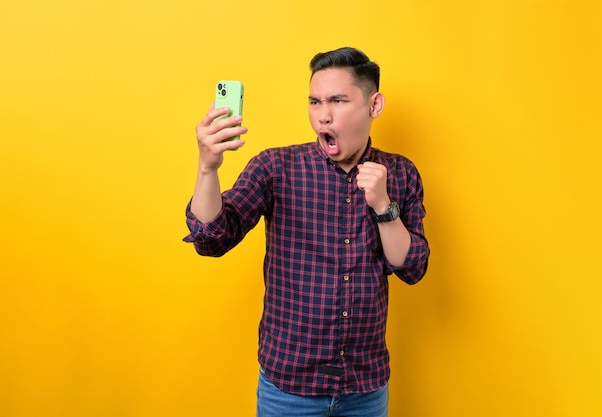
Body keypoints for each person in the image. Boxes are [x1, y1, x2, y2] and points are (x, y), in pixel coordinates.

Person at [183, 47, 430, 417]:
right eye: (315, 102)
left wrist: (383, 206)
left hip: (365, 386)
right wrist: (207, 168)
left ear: (374, 105)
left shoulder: (401, 173)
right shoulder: (275, 168)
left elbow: (412, 268)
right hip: (289, 388)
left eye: (338, 100)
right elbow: (212, 239)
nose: (323, 115)